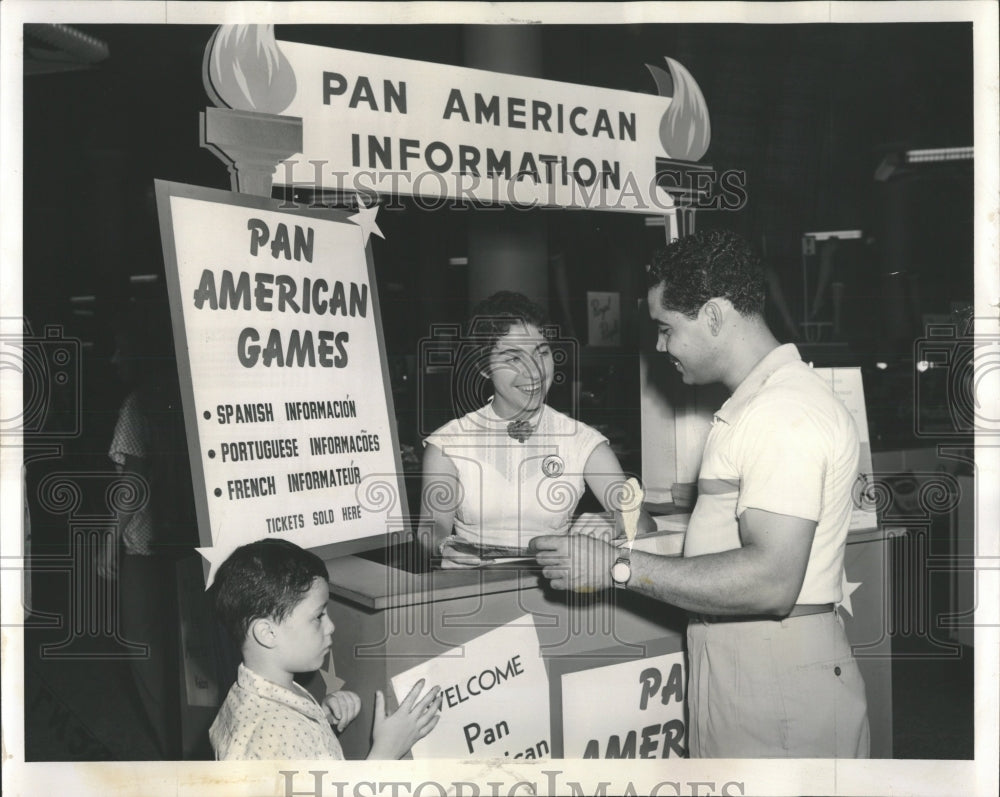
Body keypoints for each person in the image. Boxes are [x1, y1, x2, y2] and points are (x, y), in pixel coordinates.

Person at [531, 230, 870, 758]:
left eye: (667, 328)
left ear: (713, 316)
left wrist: (617, 567)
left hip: (773, 676)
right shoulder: (760, 404)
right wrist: (624, 536)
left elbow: (772, 579)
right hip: (749, 666)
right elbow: (729, 544)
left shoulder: (782, 413)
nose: (661, 345)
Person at [419, 291, 652, 567]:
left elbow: (645, 523)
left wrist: (613, 521)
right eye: (514, 358)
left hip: (556, 587)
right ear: (483, 368)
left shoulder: (580, 440)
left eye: (541, 352)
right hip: (468, 588)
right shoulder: (449, 443)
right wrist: (443, 545)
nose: (535, 371)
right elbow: (431, 529)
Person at [209, 538, 442, 760]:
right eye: (318, 616)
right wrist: (386, 751)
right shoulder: (282, 734)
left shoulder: (248, 697)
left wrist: (320, 717)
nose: (330, 626)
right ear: (267, 633)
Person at [102, 296, 197, 758]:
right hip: (192, 548)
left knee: (143, 649)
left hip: (147, 550)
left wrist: (107, 539)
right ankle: (191, 745)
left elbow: (134, 481)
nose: (114, 359)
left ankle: (169, 750)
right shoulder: (190, 396)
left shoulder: (139, 403)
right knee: (191, 656)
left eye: (121, 349)